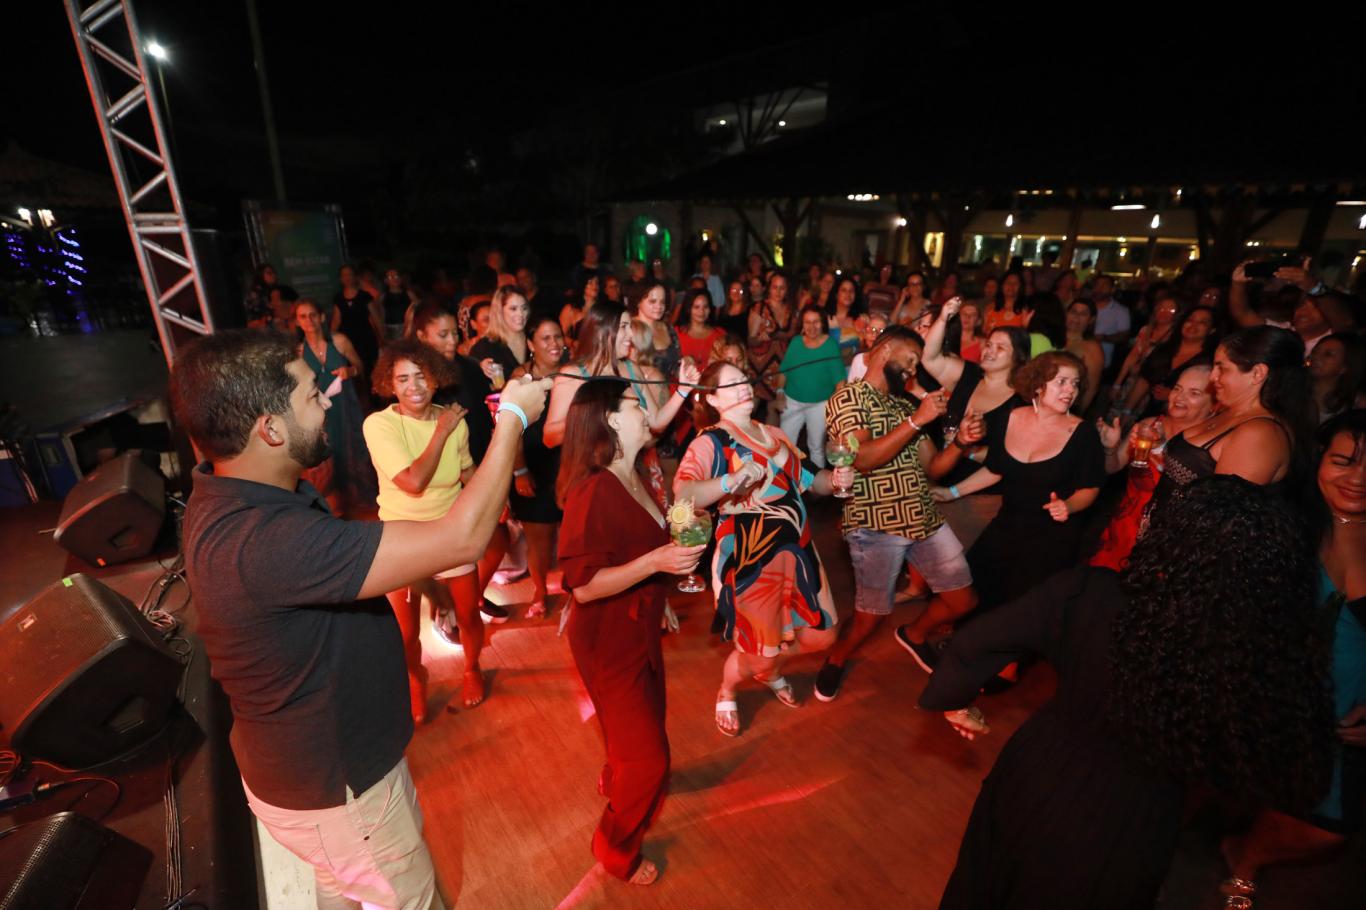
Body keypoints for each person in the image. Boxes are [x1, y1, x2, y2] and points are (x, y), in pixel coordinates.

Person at [173, 329, 550, 910]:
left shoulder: (232, 497)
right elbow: (464, 539)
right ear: (270, 430)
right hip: (341, 791)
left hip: (309, 783)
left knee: (341, 887)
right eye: (309, 395)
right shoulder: (266, 541)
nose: (327, 402)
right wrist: (514, 418)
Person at [918, 476, 1335, 910]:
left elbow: (973, 643)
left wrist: (955, 701)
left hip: (1038, 771)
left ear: (1169, 538)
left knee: (983, 881)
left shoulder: (1088, 593)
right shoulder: (1258, 657)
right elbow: (1275, 765)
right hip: (1135, 816)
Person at [557, 380, 705, 887]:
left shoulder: (635, 474)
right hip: (607, 639)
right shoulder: (594, 490)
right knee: (649, 762)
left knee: (641, 729)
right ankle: (613, 847)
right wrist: (656, 563)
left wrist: (658, 594)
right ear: (610, 420)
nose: (646, 411)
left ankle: (617, 774)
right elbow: (583, 587)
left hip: (639, 623)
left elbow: (631, 552)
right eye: (635, 404)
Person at [1218, 410, 1366, 908]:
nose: (1358, 478)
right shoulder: (1285, 523)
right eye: (1344, 461)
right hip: (1270, 696)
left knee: (1328, 828)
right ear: (1319, 460)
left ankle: (1247, 858)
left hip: (1343, 718)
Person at [674, 362, 854, 735]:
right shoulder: (712, 441)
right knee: (759, 653)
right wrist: (730, 480)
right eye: (731, 384)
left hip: (798, 553)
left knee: (822, 635)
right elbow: (684, 494)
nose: (743, 387)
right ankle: (730, 687)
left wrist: (836, 480)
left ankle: (768, 667)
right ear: (712, 399)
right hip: (750, 562)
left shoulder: (774, 433)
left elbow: (812, 481)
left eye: (744, 379)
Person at [818, 326, 979, 700]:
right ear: (886, 348)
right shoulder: (848, 398)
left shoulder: (905, 406)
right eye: (910, 359)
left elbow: (933, 468)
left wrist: (961, 443)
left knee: (964, 600)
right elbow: (863, 458)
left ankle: (915, 634)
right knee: (870, 617)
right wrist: (918, 421)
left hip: (923, 517)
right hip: (875, 524)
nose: (912, 370)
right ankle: (836, 658)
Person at [364, 341, 492, 713]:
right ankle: (415, 677)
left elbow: (467, 472)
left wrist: (497, 501)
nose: (414, 386)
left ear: (436, 378)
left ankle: (472, 667)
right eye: (402, 379)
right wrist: (441, 430)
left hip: (450, 531)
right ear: (389, 384)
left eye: (421, 376)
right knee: (405, 633)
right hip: (402, 537)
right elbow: (413, 481)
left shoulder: (455, 422)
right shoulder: (380, 425)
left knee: (468, 615)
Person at [934, 352, 1106, 620]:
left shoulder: (1084, 434)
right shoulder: (1010, 418)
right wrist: (951, 492)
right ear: (1038, 385)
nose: (1070, 390)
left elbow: (1090, 488)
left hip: (1051, 539)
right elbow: (996, 469)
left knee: (1023, 612)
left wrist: (1068, 506)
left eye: (1075, 384)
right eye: (1061, 382)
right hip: (1007, 524)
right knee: (975, 590)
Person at [409, 302, 512, 625]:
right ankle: (448, 611)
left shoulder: (469, 367)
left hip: (476, 467)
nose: (452, 340)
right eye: (443, 335)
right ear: (422, 336)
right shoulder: (415, 379)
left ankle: (470, 599)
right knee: (450, 556)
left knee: (497, 541)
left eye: (455, 333)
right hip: (440, 479)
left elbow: (485, 413)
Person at [1146, 325, 1314, 519]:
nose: (1212, 377)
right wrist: (1159, 447)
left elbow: (1219, 517)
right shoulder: (1228, 411)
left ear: (1258, 373)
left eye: (1222, 368)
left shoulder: (1260, 434)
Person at [543, 301, 697, 507]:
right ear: (602, 330)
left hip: (632, 472)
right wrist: (592, 415)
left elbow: (656, 422)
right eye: (624, 327)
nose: (631, 335)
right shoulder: (573, 375)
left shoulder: (631, 369)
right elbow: (549, 437)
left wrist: (683, 390)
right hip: (591, 477)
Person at [919, 298, 1031, 549]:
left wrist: (965, 448)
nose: (989, 350)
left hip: (979, 498)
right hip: (940, 482)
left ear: (1018, 357)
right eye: (988, 344)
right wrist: (944, 317)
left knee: (957, 560)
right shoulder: (968, 375)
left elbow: (1008, 461)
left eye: (1000, 348)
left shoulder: (1020, 403)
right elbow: (929, 357)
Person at [1091, 361, 1214, 571]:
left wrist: (1160, 453)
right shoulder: (1149, 425)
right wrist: (1110, 448)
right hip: (1123, 529)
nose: (1179, 397)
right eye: (1177, 389)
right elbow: (1113, 467)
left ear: (1214, 405)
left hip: (1165, 541)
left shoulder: (1208, 444)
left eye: (1194, 393)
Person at [294, 298, 377, 518]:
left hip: (345, 404)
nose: (309, 320)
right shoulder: (299, 351)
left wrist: (350, 371)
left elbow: (360, 365)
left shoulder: (339, 341)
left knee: (352, 445)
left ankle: (359, 501)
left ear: (322, 317)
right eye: (303, 316)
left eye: (312, 315)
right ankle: (333, 504)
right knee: (327, 452)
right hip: (319, 410)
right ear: (297, 321)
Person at [510, 316, 568, 618]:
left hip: (569, 463)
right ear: (531, 343)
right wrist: (520, 470)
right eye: (546, 338)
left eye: (558, 336)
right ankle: (540, 590)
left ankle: (575, 588)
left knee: (573, 534)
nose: (554, 343)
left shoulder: (573, 372)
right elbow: (512, 428)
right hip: (534, 463)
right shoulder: (521, 378)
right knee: (539, 538)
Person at [775, 305, 845, 468]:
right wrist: (779, 393)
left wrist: (834, 410)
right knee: (785, 444)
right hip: (791, 401)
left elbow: (840, 383)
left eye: (816, 322)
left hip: (819, 405)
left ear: (823, 323)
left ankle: (816, 481)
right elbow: (784, 371)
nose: (812, 327)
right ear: (802, 324)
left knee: (816, 447)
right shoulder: (796, 342)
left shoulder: (830, 346)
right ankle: (785, 479)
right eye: (807, 322)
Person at [1122, 305, 1219, 419]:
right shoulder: (1164, 350)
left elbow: (1208, 399)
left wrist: (1173, 394)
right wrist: (1127, 411)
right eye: (1190, 320)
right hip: (1148, 415)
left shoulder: (1209, 361)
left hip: (1180, 420)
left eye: (1202, 322)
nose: (1193, 325)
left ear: (1212, 330)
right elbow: (1144, 380)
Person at [747, 270, 796, 420]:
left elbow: (792, 334)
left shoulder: (790, 309)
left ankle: (771, 436)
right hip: (759, 363)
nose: (778, 292)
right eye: (775, 287)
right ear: (769, 288)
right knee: (751, 405)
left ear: (787, 290)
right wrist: (760, 339)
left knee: (774, 406)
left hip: (780, 363)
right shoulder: (759, 308)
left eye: (782, 288)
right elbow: (750, 340)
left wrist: (779, 336)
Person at [332, 264, 384, 381]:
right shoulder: (338, 298)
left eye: (349, 274)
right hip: (347, 340)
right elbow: (336, 320)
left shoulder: (365, 296)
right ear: (340, 278)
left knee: (370, 370)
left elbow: (376, 318)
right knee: (352, 371)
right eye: (344, 275)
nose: (347, 277)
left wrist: (382, 338)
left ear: (355, 276)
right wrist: (331, 339)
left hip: (366, 338)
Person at [470, 285, 531, 381]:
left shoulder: (535, 339)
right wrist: (479, 370)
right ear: (499, 311)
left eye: (524, 308)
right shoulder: (484, 348)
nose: (520, 314)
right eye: (513, 309)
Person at [629, 280, 682, 382]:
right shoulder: (629, 329)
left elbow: (675, 367)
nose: (659, 306)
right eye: (652, 301)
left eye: (662, 302)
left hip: (669, 389)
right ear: (638, 302)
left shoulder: (668, 328)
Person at [1310, 332, 1366, 422]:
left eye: (1328, 354)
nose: (1315, 357)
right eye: (1315, 351)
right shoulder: (1296, 389)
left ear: (1345, 367)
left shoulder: (1357, 404)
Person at [1063, 299, 1105, 412]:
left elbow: (1092, 387)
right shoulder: (1053, 337)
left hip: (1070, 403)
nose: (1076, 317)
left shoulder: (1092, 348)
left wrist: (1079, 412)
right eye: (1073, 312)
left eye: (1083, 314)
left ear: (1091, 320)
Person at [1089, 274, 1131, 369]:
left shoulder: (1120, 310)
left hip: (1101, 362)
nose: (1100, 288)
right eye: (1097, 285)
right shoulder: (1084, 306)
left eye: (1104, 285)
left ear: (1112, 289)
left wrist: (1103, 337)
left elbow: (1124, 336)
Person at [675, 288, 725, 366]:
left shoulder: (720, 334)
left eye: (705, 307)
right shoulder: (676, 333)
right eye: (696, 307)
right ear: (688, 309)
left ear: (710, 309)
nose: (701, 311)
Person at [826, 275, 867, 366]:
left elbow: (866, 348)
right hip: (826, 366)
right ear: (836, 294)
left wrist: (862, 337)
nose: (848, 294)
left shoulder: (862, 319)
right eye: (844, 290)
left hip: (851, 367)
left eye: (851, 291)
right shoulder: (824, 317)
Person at [846, 312, 889, 382]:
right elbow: (851, 385)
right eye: (871, 329)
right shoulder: (858, 359)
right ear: (864, 334)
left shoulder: (890, 363)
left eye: (881, 331)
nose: (874, 334)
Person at [380, 268, 420, 340]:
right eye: (390, 277)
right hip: (390, 330)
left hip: (408, 328)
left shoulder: (409, 294)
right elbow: (380, 314)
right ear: (386, 281)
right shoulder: (382, 296)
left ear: (400, 279)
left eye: (396, 276)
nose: (394, 279)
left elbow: (419, 309)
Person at [560, 275, 597, 346]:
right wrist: (573, 343)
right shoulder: (571, 309)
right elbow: (560, 335)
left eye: (597, 283)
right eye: (590, 283)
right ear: (583, 284)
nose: (595, 286)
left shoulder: (602, 308)